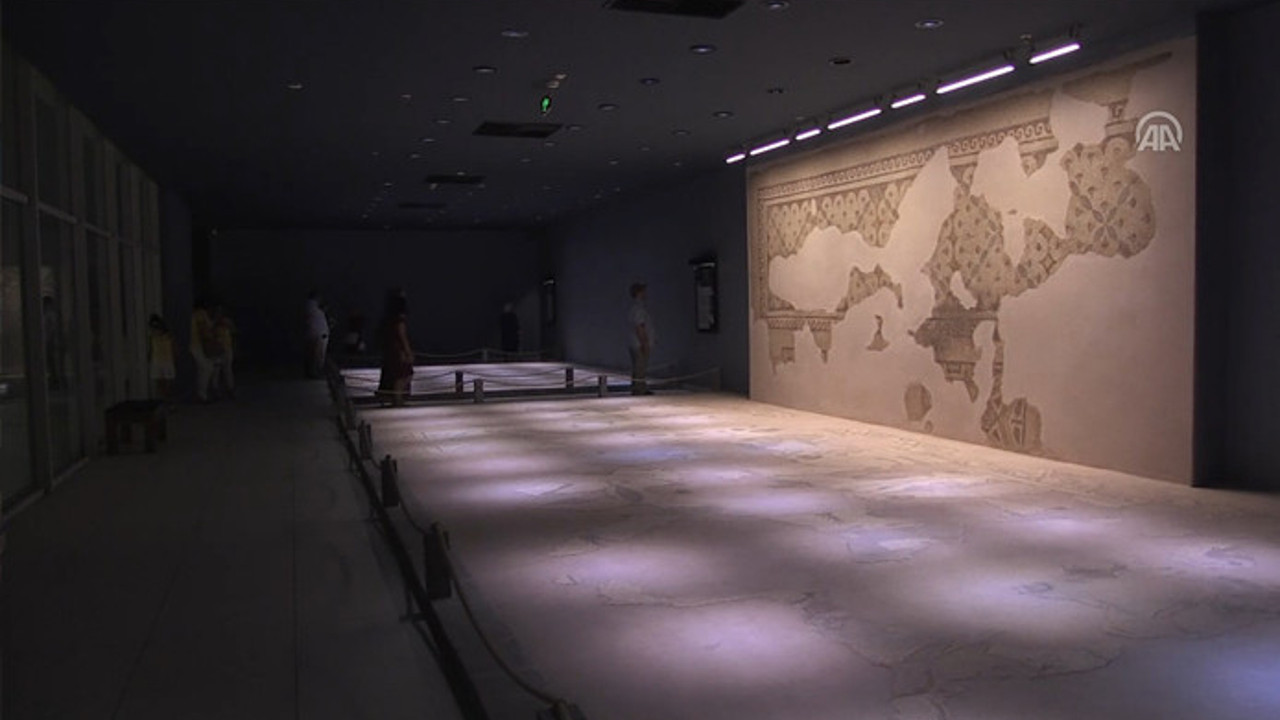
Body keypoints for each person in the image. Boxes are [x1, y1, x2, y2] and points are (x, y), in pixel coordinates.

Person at [376, 290, 414, 406]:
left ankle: (396, 399)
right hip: (398, 352)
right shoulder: (398, 320)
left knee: (398, 375)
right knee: (402, 375)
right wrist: (408, 352)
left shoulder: (388, 319)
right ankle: (398, 399)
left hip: (391, 351)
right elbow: (402, 336)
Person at [628, 281, 653, 396]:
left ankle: (638, 387)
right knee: (640, 367)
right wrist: (645, 343)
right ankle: (639, 389)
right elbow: (640, 327)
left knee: (638, 367)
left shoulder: (634, 308)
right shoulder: (638, 309)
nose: (646, 293)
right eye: (643, 291)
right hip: (639, 344)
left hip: (635, 343)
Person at [189, 297, 217, 402]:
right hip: (199, 345)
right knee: (207, 368)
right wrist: (208, 340)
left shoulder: (194, 314)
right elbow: (203, 328)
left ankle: (202, 392)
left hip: (196, 344)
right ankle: (202, 394)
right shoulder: (201, 314)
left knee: (204, 368)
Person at [148, 314, 176, 401]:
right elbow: (151, 349)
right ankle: (161, 401)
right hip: (157, 361)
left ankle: (168, 401)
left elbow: (174, 348)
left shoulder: (168, 336)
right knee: (159, 385)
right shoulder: (152, 337)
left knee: (168, 384)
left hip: (167, 361)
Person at [212, 304, 237, 399]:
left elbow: (233, 331)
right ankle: (215, 389)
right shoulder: (213, 322)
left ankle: (230, 389)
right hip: (217, 348)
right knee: (216, 370)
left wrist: (227, 325)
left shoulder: (227, 321)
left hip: (227, 348)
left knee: (228, 369)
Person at [303, 290, 329, 378]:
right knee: (317, 356)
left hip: (316, 334)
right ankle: (315, 373)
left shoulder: (313, 308)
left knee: (314, 356)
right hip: (318, 334)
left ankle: (313, 372)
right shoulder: (312, 306)